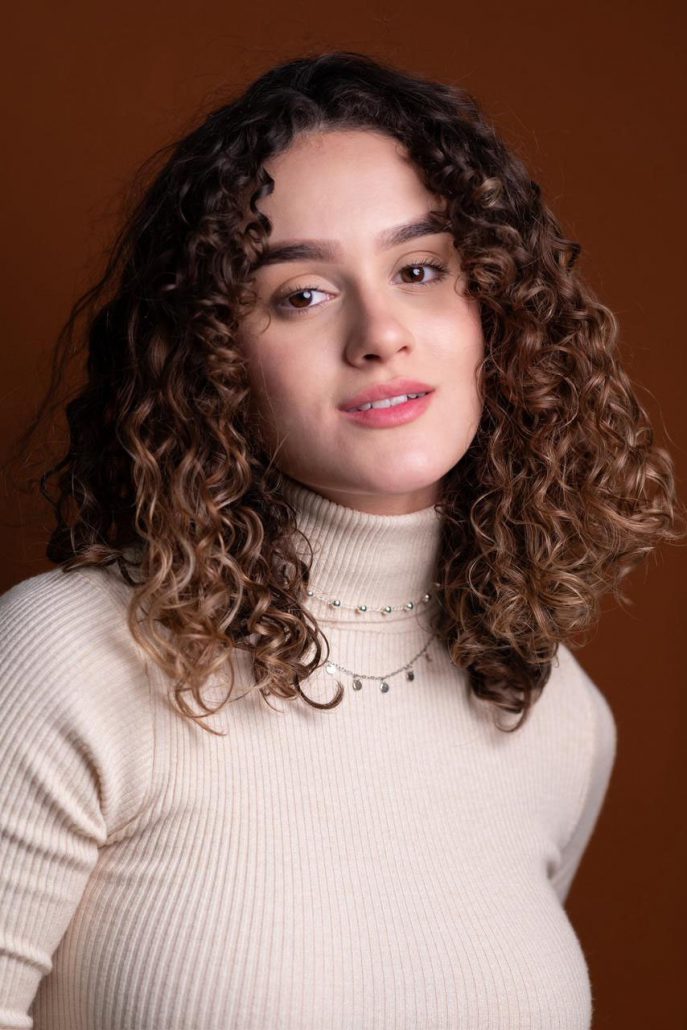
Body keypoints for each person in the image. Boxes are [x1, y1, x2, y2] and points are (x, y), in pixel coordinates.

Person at [0, 50, 684, 1030]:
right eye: (302, 294)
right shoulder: (70, 658)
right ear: (213, 358)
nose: (380, 333)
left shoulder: (556, 715)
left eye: (419, 270)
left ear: (498, 311)